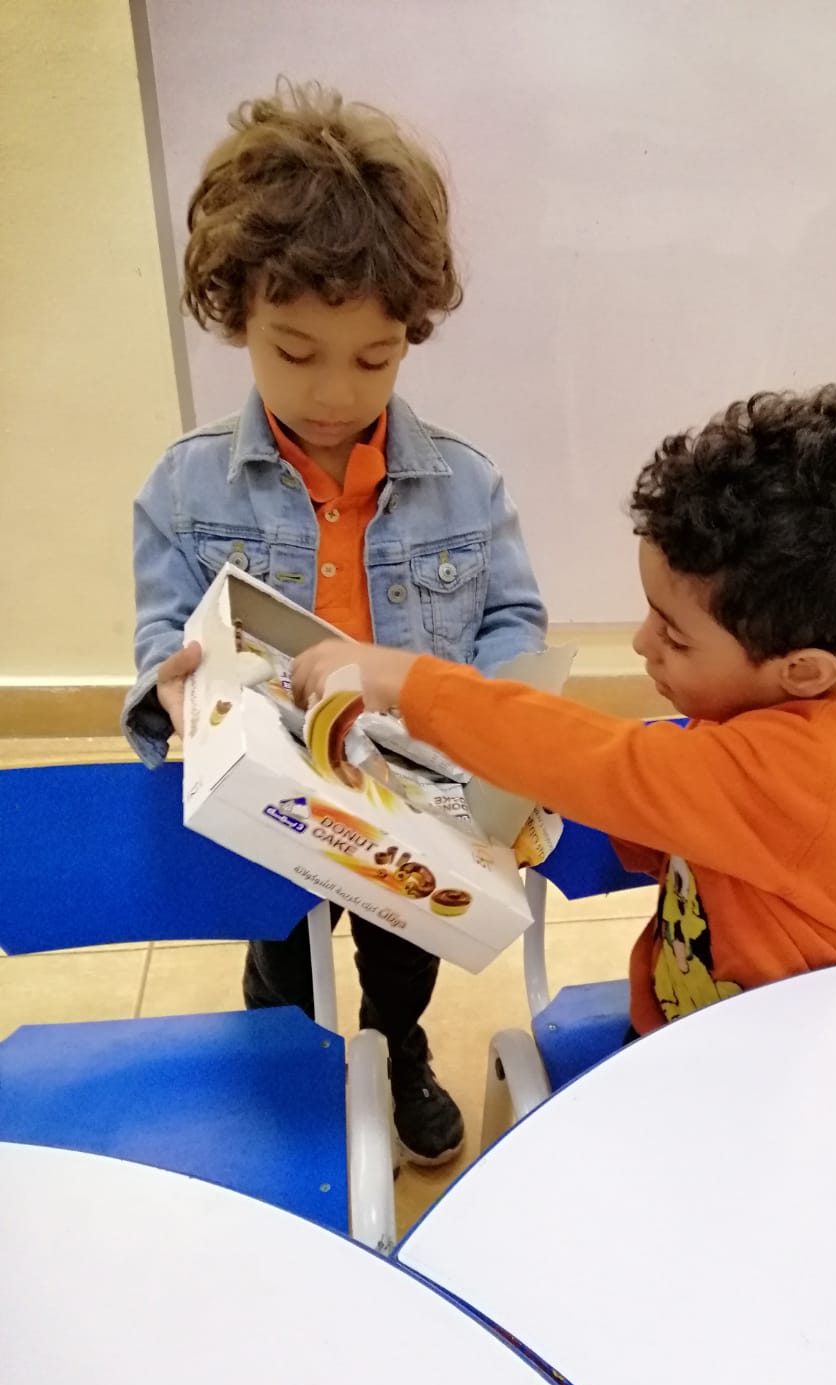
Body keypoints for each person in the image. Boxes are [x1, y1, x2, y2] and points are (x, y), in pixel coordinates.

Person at [250, 386, 836, 1037]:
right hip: (687, 1036)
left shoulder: (797, 769)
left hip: (773, 1064)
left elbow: (603, 762)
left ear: (802, 671)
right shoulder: (745, 725)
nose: (642, 643)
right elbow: (658, 822)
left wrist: (411, 681)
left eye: (675, 635)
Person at [123, 85, 546, 1163]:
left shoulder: (465, 484)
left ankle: (397, 1048)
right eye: (295, 350)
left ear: (410, 338)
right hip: (272, 793)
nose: (332, 392)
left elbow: (512, 617)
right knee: (283, 958)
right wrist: (170, 686)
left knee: (406, 949)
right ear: (237, 317)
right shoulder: (185, 488)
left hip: (412, 793)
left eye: (374, 357)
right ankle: (294, 1056)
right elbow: (163, 633)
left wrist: (507, 724)